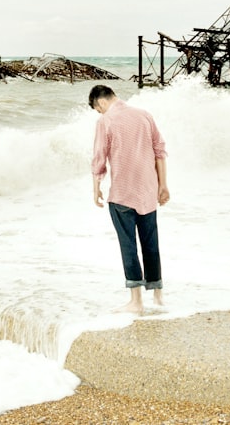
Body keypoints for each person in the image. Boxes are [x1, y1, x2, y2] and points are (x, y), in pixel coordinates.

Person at [89, 84, 169, 314]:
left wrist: (96, 187)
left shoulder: (105, 121)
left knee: (129, 245)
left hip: (122, 193)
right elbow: (160, 152)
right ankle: (158, 296)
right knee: (151, 244)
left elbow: (99, 158)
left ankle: (136, 301)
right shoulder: (144, 115)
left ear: (101, 102)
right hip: (148, 191)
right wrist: (163, 185)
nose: (100, 113)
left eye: (98, 109)